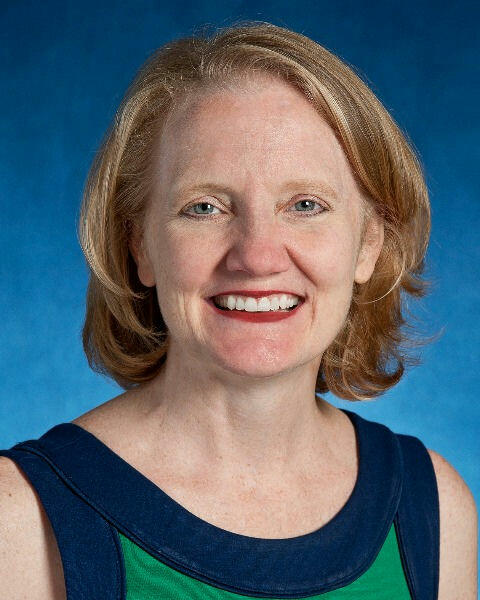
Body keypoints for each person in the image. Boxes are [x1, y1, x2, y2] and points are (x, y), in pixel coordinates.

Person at [0, 20, 477, 600]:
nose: (256, 256)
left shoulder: (434, 510)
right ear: (140, 246)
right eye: (204, 207)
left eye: (305, 205)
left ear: (368, 244)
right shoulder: (20, 521)